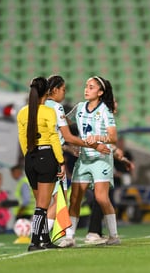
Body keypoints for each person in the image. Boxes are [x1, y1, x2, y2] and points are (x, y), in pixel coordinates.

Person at [59, 76, 120, 247]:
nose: (86, 89)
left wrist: (99, 138)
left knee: (101, 198)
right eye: (86, 86)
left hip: (101, 159)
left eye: (91, 87)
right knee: (75, 198)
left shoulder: (105, 111)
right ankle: (69, 237)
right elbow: (64, 124)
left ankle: (114, 235)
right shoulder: (79, 107)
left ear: (100, 92)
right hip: (84, 158)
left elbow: (113, 137)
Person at [45, 75, 110, 232]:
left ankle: (41, 236)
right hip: (53, 158)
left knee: (43, 202)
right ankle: (44, 235)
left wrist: (67, 148)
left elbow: (51, 137)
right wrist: (95, 146)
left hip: (38, 157)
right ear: (55, 90)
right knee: (60, 199)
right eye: (63, 90)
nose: (64, 94)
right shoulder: (56, 107)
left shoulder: (39, 106)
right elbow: (67, 136)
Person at [17, 77, 65, 251]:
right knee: (42, 205)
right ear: (47, 92)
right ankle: (34, 242)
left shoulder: (23, 112)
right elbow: (53, 138)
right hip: (46, 156)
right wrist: (61, 161)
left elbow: (22, 139)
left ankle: (45, 240)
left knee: (40, 203)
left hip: (30, 158)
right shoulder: (47, 112)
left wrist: (30, 157)